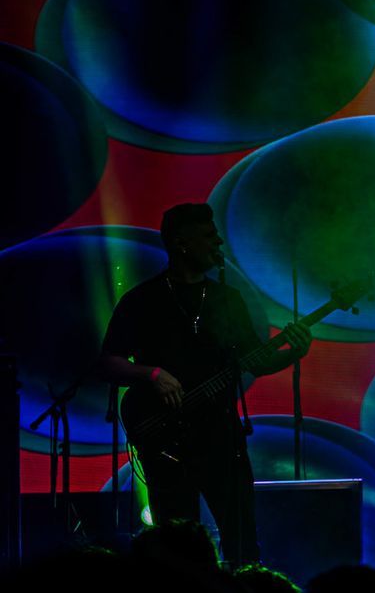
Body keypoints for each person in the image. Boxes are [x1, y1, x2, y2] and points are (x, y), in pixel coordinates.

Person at [95, 203, 311, 564]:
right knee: (178, 541)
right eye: (209, 236)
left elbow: (256, 359)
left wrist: (294, 352)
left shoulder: (227, 298)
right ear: (182, 243)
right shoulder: (144, 299)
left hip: (220, 434)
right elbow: (107, 363)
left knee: (241, 535)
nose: (219, 243)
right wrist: (151, 374)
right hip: (166, 438)